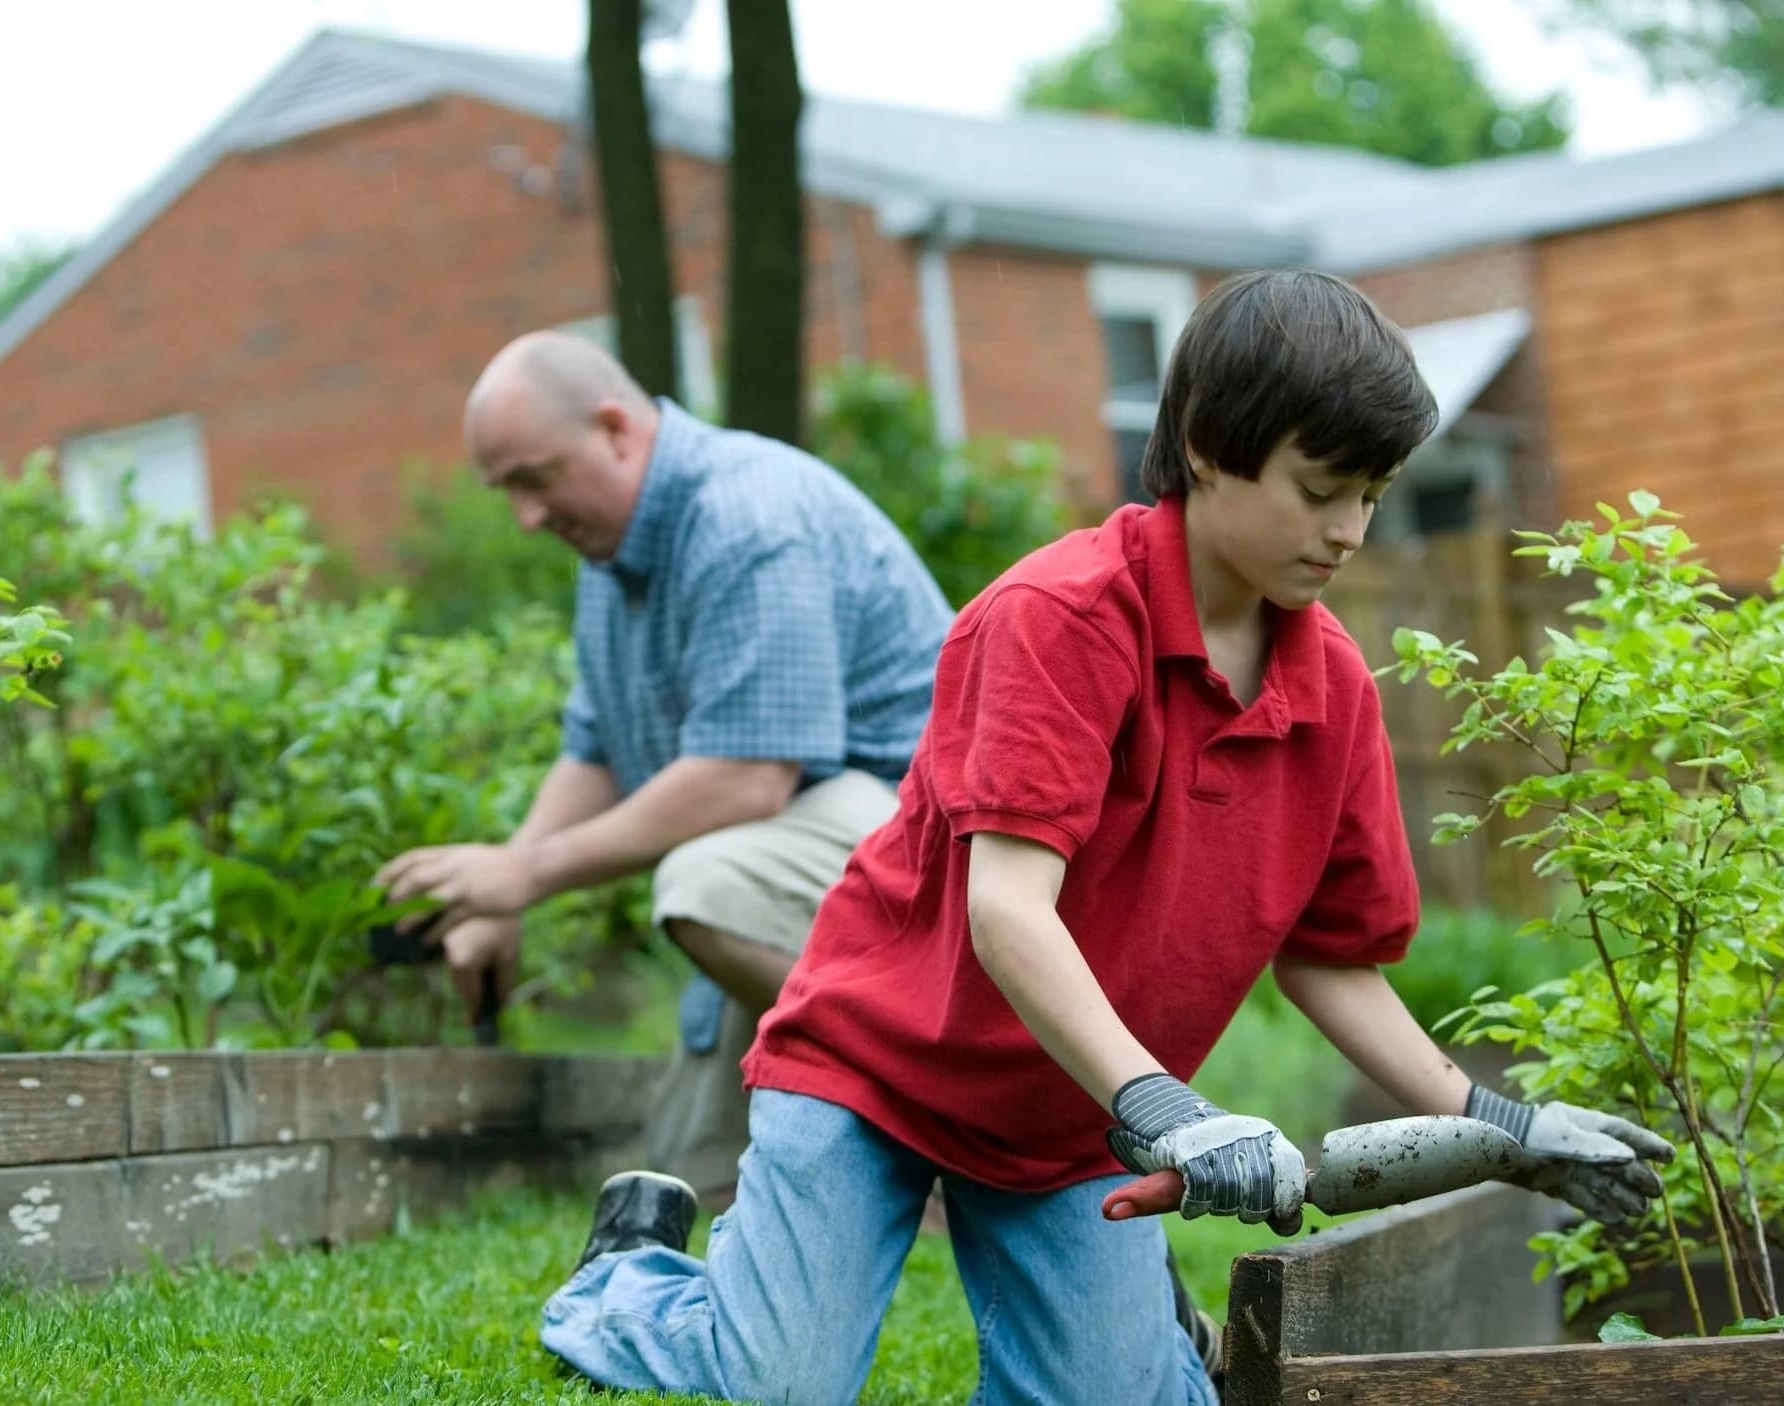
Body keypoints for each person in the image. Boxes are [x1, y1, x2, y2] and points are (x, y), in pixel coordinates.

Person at [536, 270, 1677, 1405]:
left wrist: (1501, 1125)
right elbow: (1007, 907)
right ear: (1205, 444)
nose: (1350, 532)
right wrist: (1169, 1107)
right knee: (780, 1383)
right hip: (877, 1068)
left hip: (1075, 1114)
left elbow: (1330, 955)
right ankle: (630, 1277)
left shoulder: (1331, 686)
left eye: (1372, 493)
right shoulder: (1063, 617)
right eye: (1320, 487)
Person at [375, 330, 955, 1202]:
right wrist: (495, 895)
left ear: (615, 428)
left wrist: (528, 874)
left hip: (938, 866)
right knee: (684, 1180)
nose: (526, 518)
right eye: (507, 493)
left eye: (534, 479)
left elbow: (746, 778)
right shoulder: (611, 559)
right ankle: (858, 1149)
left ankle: (948, 1122)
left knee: (706, 883)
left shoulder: (745, 517)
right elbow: (598, 749)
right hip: (810, 869)